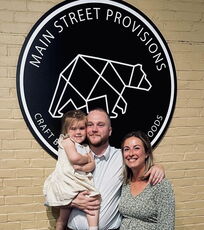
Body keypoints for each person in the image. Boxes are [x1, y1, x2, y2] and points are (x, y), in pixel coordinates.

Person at [67, 108, 165, 230]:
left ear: (110, 131)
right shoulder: (73, 155)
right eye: (90, 125)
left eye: (100, 125)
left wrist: (158, 167)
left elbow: (140, 161)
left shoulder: (122, 157)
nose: (94, 129)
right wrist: (71, 201)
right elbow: (53, 191)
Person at [43, 110, 100, 230]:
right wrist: (86, 158)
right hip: (67, 181)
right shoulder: (67, 142)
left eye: (81, 128)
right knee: (63, 215)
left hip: (79, 182)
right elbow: (74, 158)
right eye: (73, 129)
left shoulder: (85, 147)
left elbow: (92, 165)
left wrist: (82, 167)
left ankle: (93, 227)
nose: (78, 132)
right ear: (66, 131)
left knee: (92, 202)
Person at [118, 131, 175, 230]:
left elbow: (167, 225)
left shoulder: (160, 184)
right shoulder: (125, 182)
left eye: (136, 148)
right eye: (126, 149)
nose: (131, 153)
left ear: (147, 153)